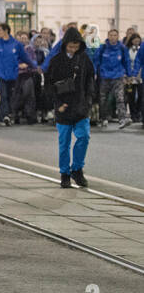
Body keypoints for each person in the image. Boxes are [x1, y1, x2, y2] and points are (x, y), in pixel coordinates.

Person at [47, 27, 96, 187]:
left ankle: (77, 169)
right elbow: (48, 85)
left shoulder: (84, 59)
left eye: (76, 47)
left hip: (81, 107)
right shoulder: (56, 61)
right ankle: (65, 174)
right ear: (65, 45)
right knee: (64, 143)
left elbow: (90, 80)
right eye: (70, 47)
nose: (73, 50)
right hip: (63, 108)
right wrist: (57, 104)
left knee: (84, 137)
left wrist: (89, 99)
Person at [93, 28, 131, 129]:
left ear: (118, 36)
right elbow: (96, 61)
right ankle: (103, 118)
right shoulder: (102, 48)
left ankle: (122, 119)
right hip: (104, 77)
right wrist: (95, 72)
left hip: (118, 76)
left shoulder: (122, 48)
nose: (113, 37)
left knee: (120, 98)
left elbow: (126, 61)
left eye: (115, 35)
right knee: (103, 99)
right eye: (111, 35)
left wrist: (129, 74)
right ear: (108, 36)